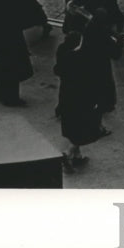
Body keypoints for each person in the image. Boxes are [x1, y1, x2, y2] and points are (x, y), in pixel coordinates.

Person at [54, 30, 103, 172]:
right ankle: (68, 153)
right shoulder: (81, 59)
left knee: (73, 128)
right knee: (82, 129)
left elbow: (57, 70)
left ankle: (77, 156)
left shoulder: (63, 54)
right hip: (81, 100)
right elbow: (90, 82)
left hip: (66, 97)